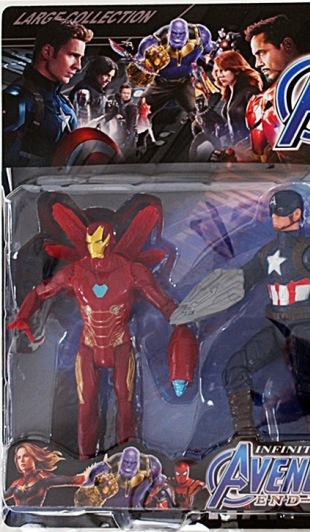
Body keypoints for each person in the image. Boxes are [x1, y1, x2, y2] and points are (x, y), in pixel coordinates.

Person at [6, 202, 198, 459]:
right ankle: (84, 461)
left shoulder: (131, 270)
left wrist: (182, 321)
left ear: (109, 241)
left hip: (120, 343)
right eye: (89, 242)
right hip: (88, 345)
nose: (93, 247)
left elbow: (161, 301)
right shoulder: (76, 272)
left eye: (98, 241)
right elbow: (42, 292)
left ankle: (127, 458)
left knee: (125, 403)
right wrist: (22, 316)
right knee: (86, 405)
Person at [171, 189, 310, 438]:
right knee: (235, 369)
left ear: (297, 214)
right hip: (276, 327)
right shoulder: (267, 253)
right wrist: (200, 306)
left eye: (280, 213)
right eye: (273, 213)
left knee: (306, 384)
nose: (275, 218)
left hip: (303, 329)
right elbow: (242, 280)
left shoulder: (308, 253)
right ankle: (246, 435)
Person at [3, 19, 93, 167]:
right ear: (47, 52)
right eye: (73, 55)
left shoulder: (64, 104)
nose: (78, 66)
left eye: (80, 58)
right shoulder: (17, 100)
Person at [242, 15, 310, 164]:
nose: (257, 64)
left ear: (287, 45)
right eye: (255, 56)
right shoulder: (260, 102)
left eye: (261, 53)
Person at [131, 18, 215, 115]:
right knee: (142, 112)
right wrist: (144, 66)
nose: (177, 37)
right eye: (174, 33)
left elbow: (212, 51)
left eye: (181, 34)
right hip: (160, 84)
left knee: (201, 112)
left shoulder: (200, 36)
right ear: (169, 33)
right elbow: (137, 64)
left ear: (187, 33)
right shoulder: (152, 43)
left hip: (185, 82)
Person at [4, 443, 85, 506]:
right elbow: (3, 497)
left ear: (33, 457)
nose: (21, 460)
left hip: (34, 518)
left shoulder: (41, 477)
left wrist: (86, 477)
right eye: (18, 457)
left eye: (25, 456)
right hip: (16, 518)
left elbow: (66, 480)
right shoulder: (17, 482)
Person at [212, 50, 262, 146]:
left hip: (250, 147)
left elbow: (260, 125)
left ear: (237, 70)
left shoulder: (249, 92)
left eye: (224, 70)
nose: (220, 75)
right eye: (217, 71)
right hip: (236, 146)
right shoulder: (230, 94)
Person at [69, 56, 117, 126]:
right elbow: (82, 126)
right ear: (97, 72)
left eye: (111, 77)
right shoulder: (84, 92)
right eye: (107, 75)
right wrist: (107, 116)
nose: (109, 80)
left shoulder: (98, 91)